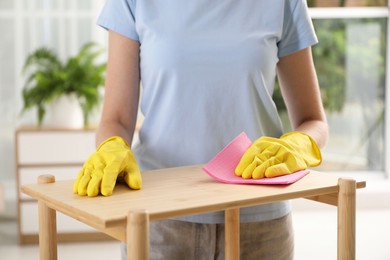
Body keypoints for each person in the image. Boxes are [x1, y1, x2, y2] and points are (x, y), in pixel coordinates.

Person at [73, 0, 328, 259]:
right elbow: (116, 119)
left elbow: (313, 120)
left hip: (259, 222)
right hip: (159, 221)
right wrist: (112, 145)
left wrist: (298, 145)